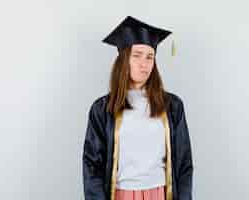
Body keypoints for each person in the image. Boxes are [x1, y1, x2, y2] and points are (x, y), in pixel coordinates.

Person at [82, 16, 194, 200]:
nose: (144, 64)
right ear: (124, 59)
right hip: (120, 195)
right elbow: (92, 165)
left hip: (161, 194)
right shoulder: (102, 110)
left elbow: (183, 163)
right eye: (137, 55)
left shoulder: (172, 107)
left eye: (150, 57)